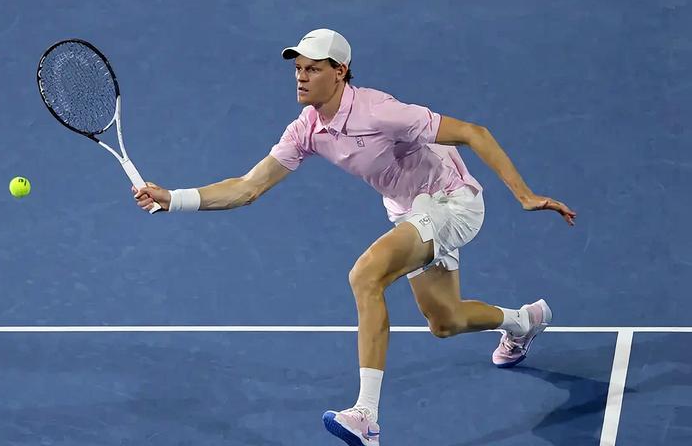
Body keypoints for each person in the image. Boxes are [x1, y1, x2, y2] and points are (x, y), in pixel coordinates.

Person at [133, 28, 577, 446]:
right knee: (446, 322)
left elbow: (472, 133)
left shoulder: (379, 111)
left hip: (451, 202)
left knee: (366, 276)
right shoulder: (306, 128)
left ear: (340, 71)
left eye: (313, 68)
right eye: (297, 68)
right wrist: (174, 198)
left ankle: (366, 416)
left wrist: (524, 195)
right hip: (410, 210)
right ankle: (524, 322)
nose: (301, 77)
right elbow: (247, 187)